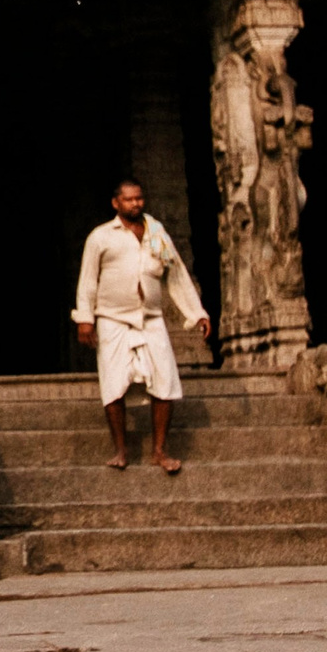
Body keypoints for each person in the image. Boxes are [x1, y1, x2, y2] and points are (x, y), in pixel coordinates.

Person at [72, 181, 211, 472]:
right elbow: (88, 279)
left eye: (139, 199)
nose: (135, 204)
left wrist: (197, 312)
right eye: (129, 200)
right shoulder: (101, 237)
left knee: (165, 380)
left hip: (150, 318)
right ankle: (121, 449)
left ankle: (159, 451)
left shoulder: (156, 233)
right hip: (112, 317)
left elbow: (176, 275)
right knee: (113, 384)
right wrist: (85, 318)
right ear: (116, 203)